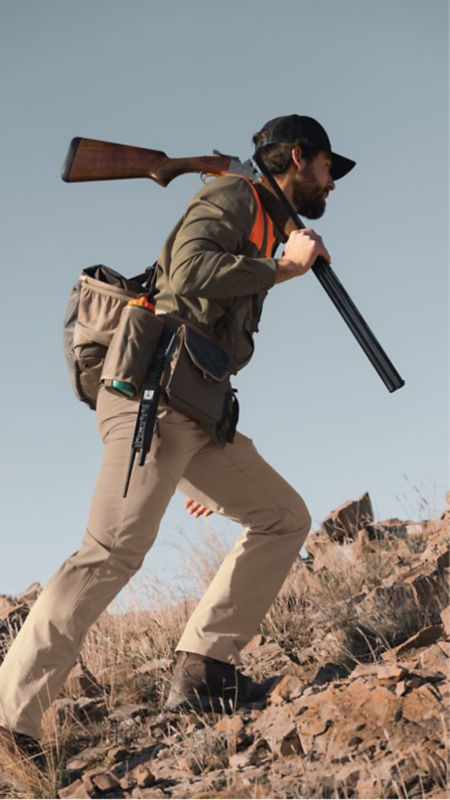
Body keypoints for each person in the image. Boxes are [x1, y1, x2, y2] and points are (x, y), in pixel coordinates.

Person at [0, 115, 355, 763]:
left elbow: (212, 328)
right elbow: (188, 272)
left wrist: (200, 460)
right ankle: (9, 720)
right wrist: (283, 267)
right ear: (301, 157)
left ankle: (203, 671)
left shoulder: (264, 218)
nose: (334, 184)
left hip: (195, 411)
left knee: (281, 517)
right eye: (331, 168)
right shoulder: (233, 194)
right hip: (153, 401)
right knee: (111, 551)